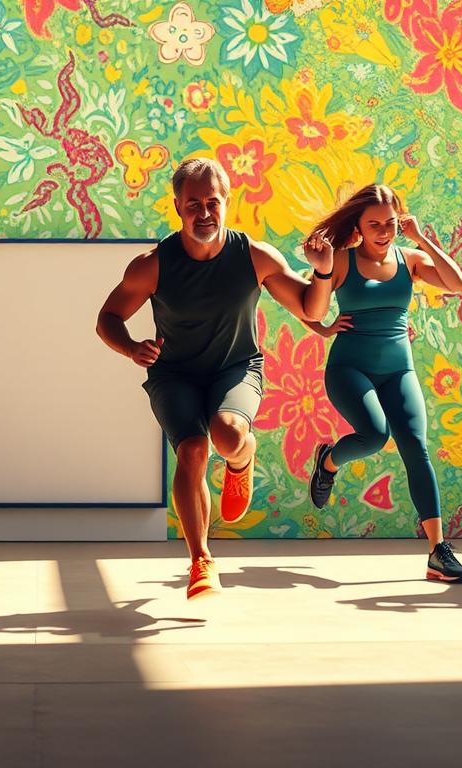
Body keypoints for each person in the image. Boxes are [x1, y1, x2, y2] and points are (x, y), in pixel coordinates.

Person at [96, 157, 332, 600]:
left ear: (227, 202)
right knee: (192, 450)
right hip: (174, 374)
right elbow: (107, 317)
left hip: (235, 367)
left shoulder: (255, 256)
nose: (203, 213)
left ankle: (242, 458)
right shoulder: (152, 265)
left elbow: (311, 310)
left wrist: (321, 271)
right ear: (177, 206)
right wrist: (131, 347)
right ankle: (201, 561)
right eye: (193, 205)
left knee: (226, 435)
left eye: (212, 202)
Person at [302, 184, 462, 583]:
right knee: (375, 436)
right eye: (374, 224)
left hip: (399, 369)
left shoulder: (410, 258)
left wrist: (421, 238)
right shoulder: (339, 261)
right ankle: (328, 461)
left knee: (416, 446)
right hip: (349, 368)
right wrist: (325, 328)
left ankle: (437, 552)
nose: (384, 231)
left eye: (391, 223)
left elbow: (457, 283)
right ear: (358, 226)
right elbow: (308, 304)